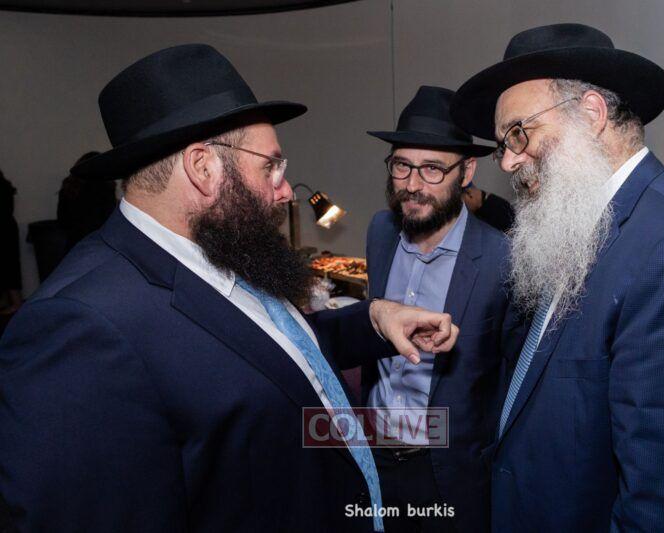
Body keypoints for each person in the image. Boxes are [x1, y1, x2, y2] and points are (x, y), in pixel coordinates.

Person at [0, 44, 458, 533]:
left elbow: (277, 353)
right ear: (203, 168)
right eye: (271, 167)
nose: (286, 191)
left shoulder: (220, 247)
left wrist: (375, 319)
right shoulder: (78, 328)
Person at [450, 23, 664, 532]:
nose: (507, 161)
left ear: (592, 114)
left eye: (518, 133)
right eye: (502, 144)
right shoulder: (582, 225)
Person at [364, 85, 517, 533]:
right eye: (402, 166)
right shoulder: (380, 231)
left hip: (448, 476)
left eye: (432, 169)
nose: (413, 185)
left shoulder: (503, 260)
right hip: (372, 458)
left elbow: (512, 386)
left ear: (466, 171)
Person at [57, 151, 118, 248]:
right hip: (99, 243)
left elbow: (62, 220)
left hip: (73, 244)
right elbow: (108, 218)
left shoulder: (69, 187)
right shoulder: (104, 187)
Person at [0, 169, 22, 314]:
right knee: (10, 267)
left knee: (8, 268)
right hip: (8, 230)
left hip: (4, 232)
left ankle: (15, 303)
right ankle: (14, 302)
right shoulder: (5, 188)